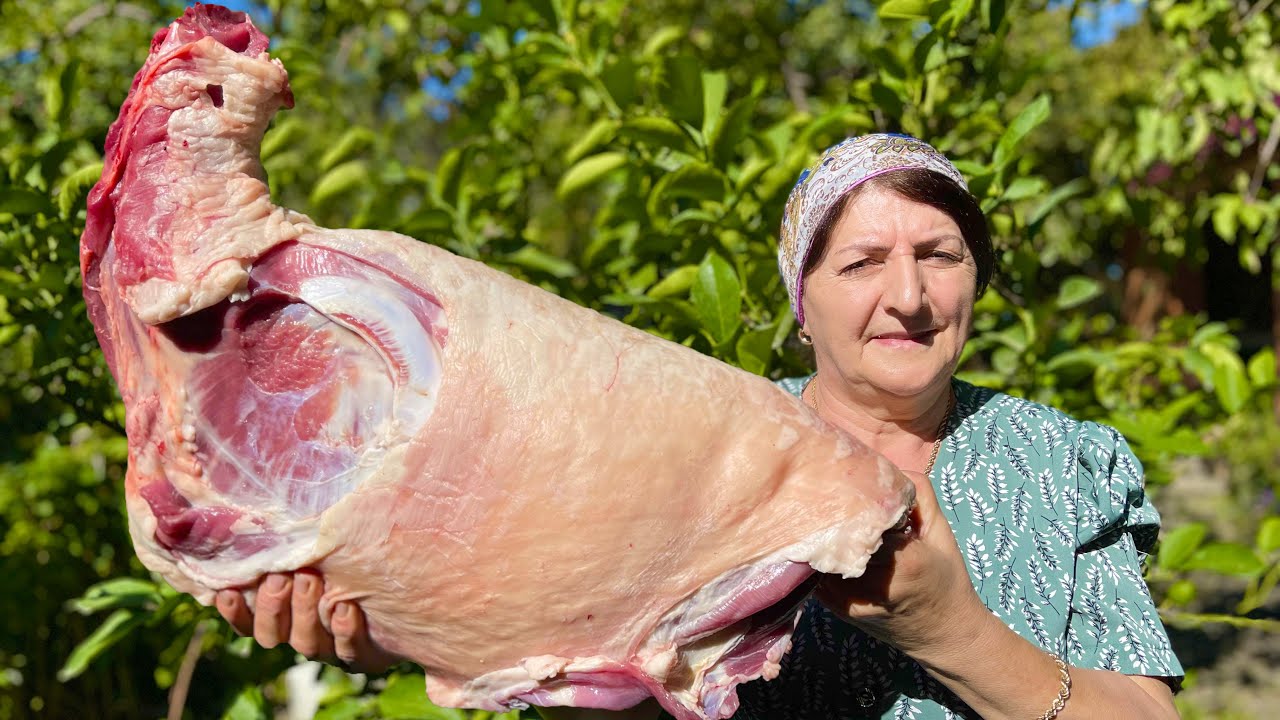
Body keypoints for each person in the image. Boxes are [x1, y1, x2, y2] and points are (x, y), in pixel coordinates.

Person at [217, 134, 1184, 719]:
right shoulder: (700, 442)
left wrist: (951, 629)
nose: (908, 295)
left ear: (978, 279)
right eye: (860, 264)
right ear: (801, 304)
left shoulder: (1065, 462)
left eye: (941, 254)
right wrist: (420, 627)